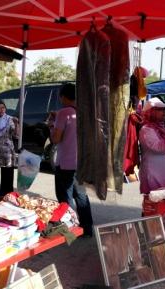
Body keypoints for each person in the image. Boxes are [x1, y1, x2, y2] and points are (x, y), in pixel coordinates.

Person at [48, 83, 93, 237]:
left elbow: (56, 138)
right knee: (81, 196)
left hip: (65, 163)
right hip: (80, 163)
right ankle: (87, 230)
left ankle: (70, 233)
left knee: (64, 197)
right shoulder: (83, 113)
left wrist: (51, 125)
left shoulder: (63, 113)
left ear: (63, 97)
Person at [0, 100, 18, 198]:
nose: (2, 110)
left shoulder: (10, 119)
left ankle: (5, 196)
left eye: (3, 108)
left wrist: (16, 124)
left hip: (7, 150)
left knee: (7, 175)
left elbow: (15, 134)